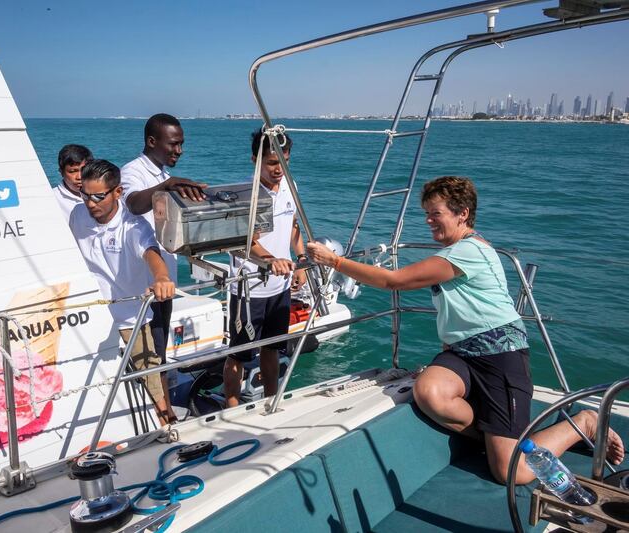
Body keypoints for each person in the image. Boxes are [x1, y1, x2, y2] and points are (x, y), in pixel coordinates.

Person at [307, 176, 624, 484]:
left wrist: (333, 261)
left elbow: (395, 281)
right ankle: (495, 436)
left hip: (501, 355)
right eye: (427, 214)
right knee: (429, 392)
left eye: (437, 214)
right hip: (463, 352)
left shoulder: (467, 252)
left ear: (463, 214)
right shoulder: (467, 247)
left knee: (512, 473)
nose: (429, 221)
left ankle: (585, 422)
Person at [69, 159, 177, 425]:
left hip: (128, 314)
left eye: (98, 196)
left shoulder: (134, 226)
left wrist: (162, 277)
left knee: (149, 375)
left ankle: (167, 424)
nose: (90, 203)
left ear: (117, 192)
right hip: (91, 312)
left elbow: (151, 254)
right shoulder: (77, 215)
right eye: (85, 194)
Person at [121, 113, 207, 420]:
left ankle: (160, 411)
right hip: (144, 285)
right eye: (173, 144)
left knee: (158, 352)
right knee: (149, 356)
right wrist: (167, 186)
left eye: (182, 144)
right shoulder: (133, 171)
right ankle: (160, 416)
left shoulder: (160, 172)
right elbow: (132, 203)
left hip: (165, 281)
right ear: (152, 142)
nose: (179, 151)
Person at [223, 130, 308, 408]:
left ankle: (273, 401)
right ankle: (232, 406)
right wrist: (272, 260)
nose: (278, 170)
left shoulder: (290, 186)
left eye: (283, 162)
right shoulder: (246, 196)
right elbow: (245, 243)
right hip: (249, 289)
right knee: (240, 354)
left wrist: (301, 260)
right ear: (254, 160)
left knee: (273, 348)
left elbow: (294, 225)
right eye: (272, 163)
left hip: (280, 287)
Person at [53, 144, 93, 222]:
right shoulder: (52, 198)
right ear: (61, 172)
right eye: (72, 171)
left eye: (84, 170)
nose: (79, 177)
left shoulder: (104, 193)